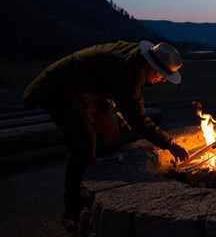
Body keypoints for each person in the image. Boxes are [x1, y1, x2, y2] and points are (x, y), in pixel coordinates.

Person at [22, 40, 190, 232]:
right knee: (85, 143)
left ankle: (97, 187)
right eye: (163, 76)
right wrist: (169, 144)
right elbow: (138, 118)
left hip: (89, 91)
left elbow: (111, 81)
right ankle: (72, 210)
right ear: (152, 67)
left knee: (110, 133)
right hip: (61, 89)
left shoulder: (135, 60)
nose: (162, 80)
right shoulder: (130, 72)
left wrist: (120, 111)